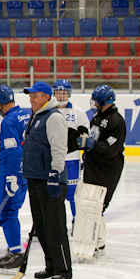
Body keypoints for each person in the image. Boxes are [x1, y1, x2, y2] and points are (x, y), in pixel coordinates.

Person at [23, 82, 72, 279]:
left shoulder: (53, 117)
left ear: (46, 97)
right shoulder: (37, 116)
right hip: (35, 179)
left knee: (55, 227)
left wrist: (55, 173)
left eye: (35, 96)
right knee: (41, 227)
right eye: (30, 96)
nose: (31, 99)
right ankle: (51, 266)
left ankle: (64, 272)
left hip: (49, 180)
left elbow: (60, 147)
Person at [77, 85, 125, 259]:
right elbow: (95, 139)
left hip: (107, 170)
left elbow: (112, 148)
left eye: (97, 100)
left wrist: (92, 145)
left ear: (105, 101)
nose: (94, 103)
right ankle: (99, 241)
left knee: (98, 205)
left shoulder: (116, 121)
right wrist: (86, 149)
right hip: (93, 166)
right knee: (91, 204)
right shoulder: (97, 117)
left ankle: (97, 242)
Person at [0, 85, 30, 272]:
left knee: (7, 212)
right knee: (11, 211)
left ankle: (16, 253)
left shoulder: (8, 121)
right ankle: (13, 249)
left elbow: (12, 150)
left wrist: (12, 175)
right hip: (24, 169)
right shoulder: (25, 114)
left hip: (11, 169)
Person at [52, 79, 90, 226]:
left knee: (73, 193)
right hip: (54, 159)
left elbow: (85, 136)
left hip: (72, 159)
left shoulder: (78, 112)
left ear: (69, 93)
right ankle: (54, 223)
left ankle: (77, 221)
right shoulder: (49, 110)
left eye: (64, 92)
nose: (61, 95)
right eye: (58, 92)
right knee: (53, 193)